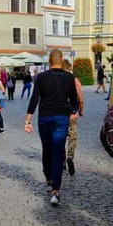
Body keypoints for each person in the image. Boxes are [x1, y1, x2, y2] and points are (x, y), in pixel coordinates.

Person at [24, 50, 78, 207]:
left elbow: (35, 98)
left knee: (46, 149)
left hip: (44, 117)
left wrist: (28, 117)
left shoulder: (41, 77)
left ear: (49, 61)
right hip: (61, 118)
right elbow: (74, 99)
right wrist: (72, 111)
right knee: (57, 152)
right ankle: (56, 191)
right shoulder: (69, 77)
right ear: (61, 60)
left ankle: (48, 179)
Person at [61, 60, 84, 176]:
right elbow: (80, 98)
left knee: (60, 138)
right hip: (72, 115)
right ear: (69, 68)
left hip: (59, 116)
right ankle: (70, 157)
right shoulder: (75, 81)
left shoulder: (56, 81)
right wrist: (81, 110)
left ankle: (62, 161)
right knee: (72, 138)